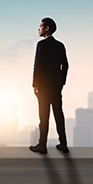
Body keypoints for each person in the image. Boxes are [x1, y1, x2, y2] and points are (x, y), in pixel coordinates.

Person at [30, 17, 69, 154]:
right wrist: (61, 83)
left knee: (43, 116)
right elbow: (65, 66)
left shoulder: (41, 45)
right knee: (58, 114)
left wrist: (35, 85)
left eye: (41, 26)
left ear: (47, 28)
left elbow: (37, 66)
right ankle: (63, 144)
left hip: (43, 88)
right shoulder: (60, 45)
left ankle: (42, 145)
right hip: (56, 87)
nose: (39, 28)